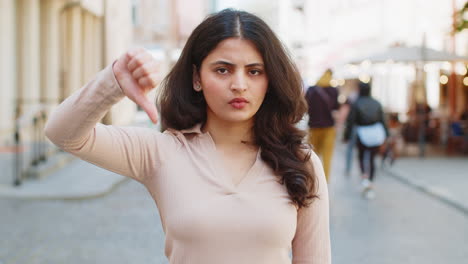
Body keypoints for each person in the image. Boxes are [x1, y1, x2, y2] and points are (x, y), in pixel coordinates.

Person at [44, 9, 331, 264]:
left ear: (269, 81)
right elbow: (63, 133)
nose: (239, 85)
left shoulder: (300, 162)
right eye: (223, 70)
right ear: (197, 78)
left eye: (254, 71)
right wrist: (113, 81)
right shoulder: (161, 152)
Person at [343, 81, 388, 199]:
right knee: (372, 158)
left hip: (362, 134)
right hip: (376, 133)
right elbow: (383, 120)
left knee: (362, 156)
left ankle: (364, 176)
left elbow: (350, 121)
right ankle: (370, 180)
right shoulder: (377, 103)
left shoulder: (356, 103)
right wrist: (386, 134)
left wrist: (346, 136)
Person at [305, 70, 339, 182]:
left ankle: (312, 180)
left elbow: (305, 107)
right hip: (329, 128)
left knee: (312, 156)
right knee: (327, 157)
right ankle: (324, 183)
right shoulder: (334, 91)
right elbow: (336, 109)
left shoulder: (311, 90)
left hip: (313, 127)